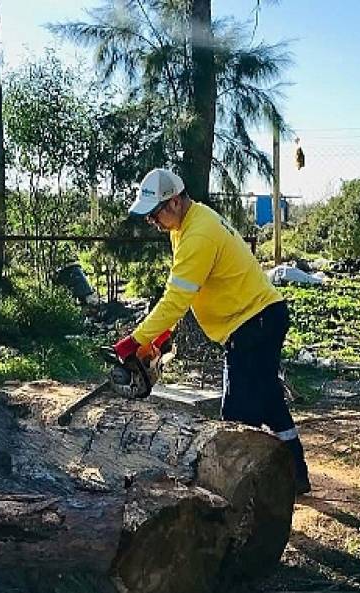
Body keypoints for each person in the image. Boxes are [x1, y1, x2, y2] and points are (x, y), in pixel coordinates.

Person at [113, 168, 311, 494]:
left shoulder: (198, 234)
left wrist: (137, 341)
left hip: (254, 323)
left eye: (154, 214)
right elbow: (187, 290)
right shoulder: (187, 225)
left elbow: (176, 298)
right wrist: (162, 336)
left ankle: (237, 494)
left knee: (236, 416)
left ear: (174, 202)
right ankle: (296, 476)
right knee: (270, 399)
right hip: (259, 318)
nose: (152, 222)